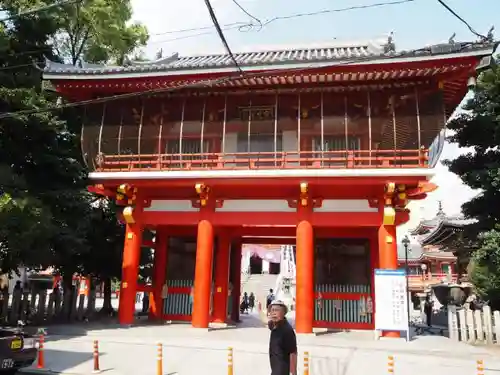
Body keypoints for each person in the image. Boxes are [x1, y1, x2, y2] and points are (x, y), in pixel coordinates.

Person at [268, 300, 297, 375]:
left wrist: (293, 373)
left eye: (277, 310)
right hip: (274, 369)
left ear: (283, 313)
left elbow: (293, 352)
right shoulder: (274, 325)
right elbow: (267, 321)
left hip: (282, 370)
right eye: (272, 310)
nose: (274, 313)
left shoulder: (287, 330)